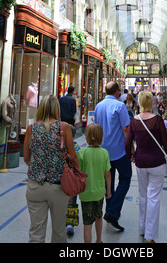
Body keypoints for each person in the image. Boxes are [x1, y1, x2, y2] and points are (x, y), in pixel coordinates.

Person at [24, 94, 78, 243]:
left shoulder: (31, 129)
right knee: (59, 231)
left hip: (35, 186)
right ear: (56, 108)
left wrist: (40, 167)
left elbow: (27, 158)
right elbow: (72, 157)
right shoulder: (64, 127)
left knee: (36, 231)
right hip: (58, 186)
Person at [125, 91, 167, 243]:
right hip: (157, 162)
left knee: (143, 195)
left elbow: (127, 142)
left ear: (139, 103)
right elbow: (165, 142)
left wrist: (130, 155)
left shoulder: (134, 121)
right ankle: (149, 236)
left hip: (141, 162)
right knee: (154, 198)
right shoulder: (157, 120)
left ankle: (142, 228)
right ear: (152, 103)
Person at [94, 81, 132, 232]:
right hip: (119, 151)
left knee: (107, 183)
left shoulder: (98, 106)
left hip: (103, 151)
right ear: (117, 92)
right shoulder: (120, 106)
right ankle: (112, 212)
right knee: (126, 177)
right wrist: (131, 148)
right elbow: (125, 128)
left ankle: (111, 212)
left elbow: (95, 128)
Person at [77, 123, 111, 243]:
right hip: (99, 193)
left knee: (87, 224)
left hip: (85, 194)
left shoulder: (81, 153)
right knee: (99, 217)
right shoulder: (104, 153)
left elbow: (78, 174)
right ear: (101, 137)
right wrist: (109, 191)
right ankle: (99, 240)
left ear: (86, 137)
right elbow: (107, 174)